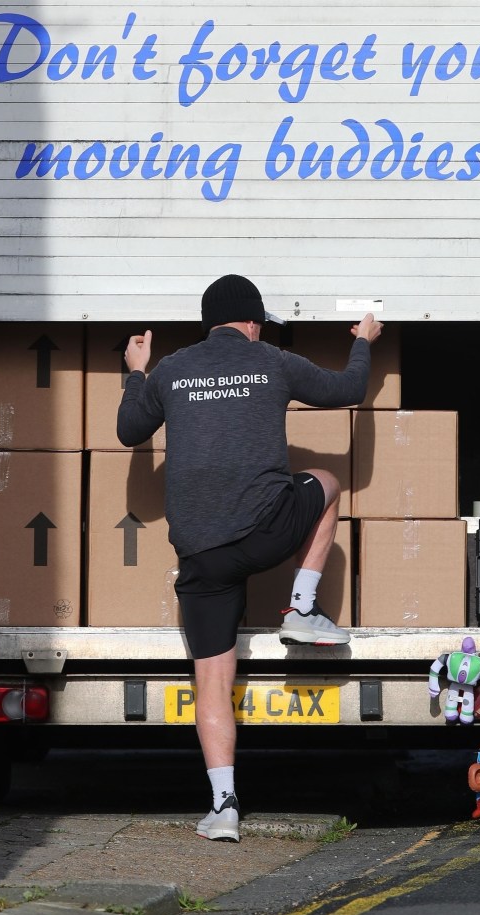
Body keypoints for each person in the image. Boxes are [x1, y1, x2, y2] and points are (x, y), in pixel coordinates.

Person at [116, 273, 384, 843]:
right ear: (254, 322)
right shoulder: (273, 360)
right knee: (327, 481)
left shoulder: (171, 370)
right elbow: (348, 390)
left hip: (201, 557)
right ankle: (301, 609)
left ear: (209, 323)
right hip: (266, 533)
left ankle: (224, 807)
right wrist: (363, 339)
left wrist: (136, 369)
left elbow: (128, 430)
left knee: (212, 678)